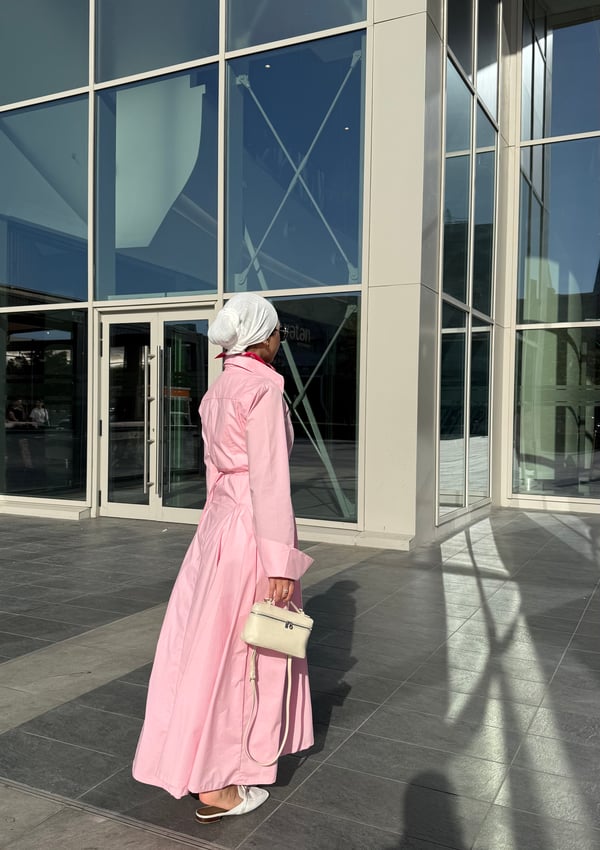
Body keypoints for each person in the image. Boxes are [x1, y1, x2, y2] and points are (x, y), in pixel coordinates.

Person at [132, 292, 314, 824]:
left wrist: (216, 530)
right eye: (277, 331)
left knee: (203, 647)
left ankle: (190, 759)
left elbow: (217, 475)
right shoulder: (263, 388)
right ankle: (221, 784)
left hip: (218, 527)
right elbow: (270, 482)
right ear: (263, 336)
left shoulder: (217, 391)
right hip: (253, 530)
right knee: (246, 653)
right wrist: (280, 562)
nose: (280, 341)